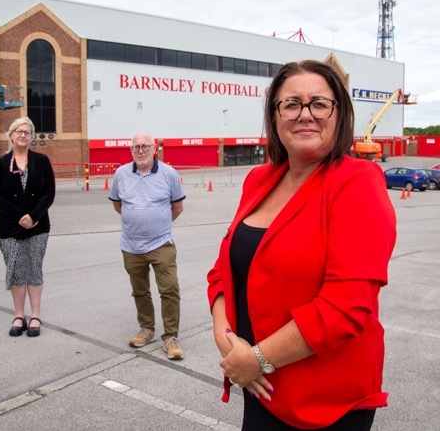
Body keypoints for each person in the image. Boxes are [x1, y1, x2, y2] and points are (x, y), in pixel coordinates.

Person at [207, 60, 397, 430]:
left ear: (339, 114)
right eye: (291, 104)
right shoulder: (259, 180)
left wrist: (258, 358)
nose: (304, 114)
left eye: (319, 104)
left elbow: (345, 306)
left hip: (322, 401)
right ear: (275, 116)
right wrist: (226, 339)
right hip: (259, 383)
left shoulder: (357, 182)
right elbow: (222, 273)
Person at [109, 132, 187, 360]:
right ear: (131, 150)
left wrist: (157, 224)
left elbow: (177, 207)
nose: (141, 150)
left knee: (170, 289)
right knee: (140, 291)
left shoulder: (169, 174)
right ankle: (147, 329)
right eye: (136, 147)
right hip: (131, 246)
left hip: (161, 243)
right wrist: (138, 222)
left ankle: (171, 337)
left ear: (155, 148)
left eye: (145, 146)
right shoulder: (121, 174)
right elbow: (117, 205)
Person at [0, 117, 55, 338]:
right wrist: (21, 216)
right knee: (16, 270)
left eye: (27, 132)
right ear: (11, 134)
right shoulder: (0, 164)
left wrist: (34, 216)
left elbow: (49, 193)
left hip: (38, 227)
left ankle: (35, 315)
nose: (23, 135)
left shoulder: (42, 161)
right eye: (18, 131)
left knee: (34, 267)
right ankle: (19, 315)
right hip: (10, 227)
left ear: (32, 137)